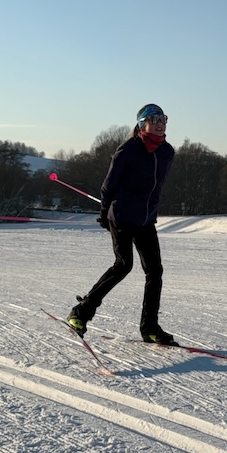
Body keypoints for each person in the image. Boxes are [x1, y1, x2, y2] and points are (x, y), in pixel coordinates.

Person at [68, 103, 176, 344]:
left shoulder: (167, 152)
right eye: (154, 119)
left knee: (154, 271)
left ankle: (150, 328)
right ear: (142, 124)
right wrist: (104, 211)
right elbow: (110, 183)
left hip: (145, 219)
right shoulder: (129, 149)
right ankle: (81, 312)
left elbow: (155, 187)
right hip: (122, 215)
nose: (160, 123)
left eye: (163, 119)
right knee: (123, 265)